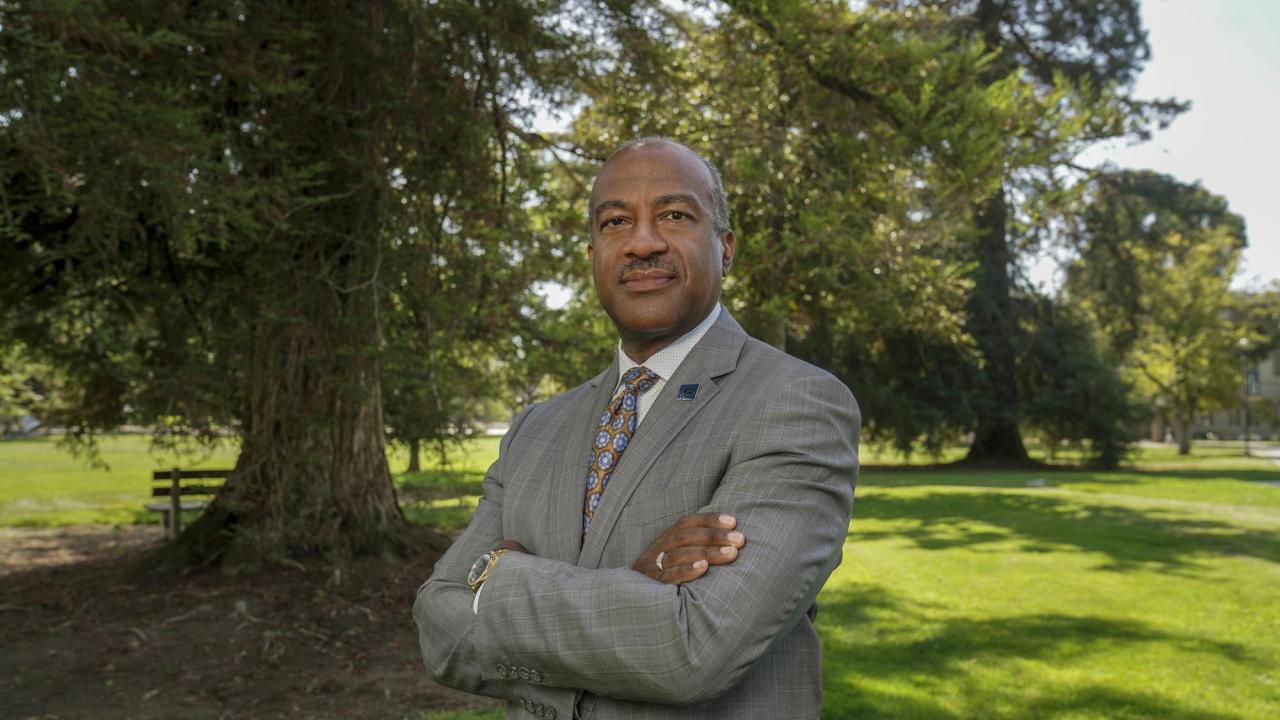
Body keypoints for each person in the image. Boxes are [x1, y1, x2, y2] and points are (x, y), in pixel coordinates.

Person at [413, 137, 860, 719]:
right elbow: (438, 631)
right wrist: (634, 586)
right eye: (616, 222)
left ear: (725, 248)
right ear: (593, 254)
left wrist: (496, 578)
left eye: (674, 215)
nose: (643, 243)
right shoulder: (535, 429)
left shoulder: (795, 403)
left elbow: (693, 650)